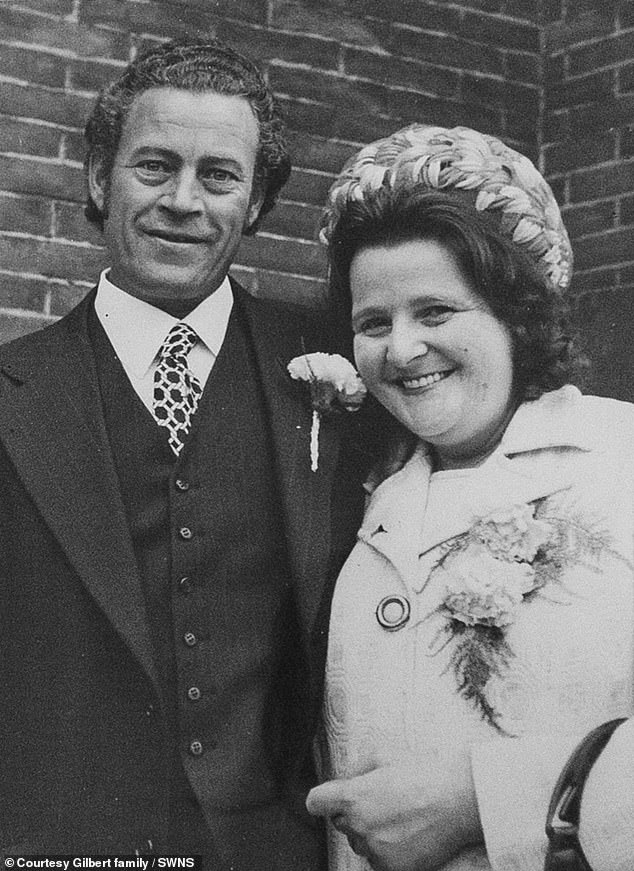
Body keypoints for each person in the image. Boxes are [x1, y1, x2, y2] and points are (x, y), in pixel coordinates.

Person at [0, 39, 369, 869]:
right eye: (154, 166)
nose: (183, 202)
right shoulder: (10, 392)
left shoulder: (338, 370)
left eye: (219, 176)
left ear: (257, 202)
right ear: (100, 178)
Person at [305, 124, 634, 871]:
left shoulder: (624, 460)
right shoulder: (365, 498)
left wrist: (484, 801)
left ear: (518, 313)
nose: (401, 349)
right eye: (372, 323)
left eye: (436, 312)